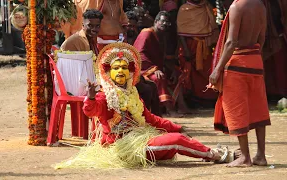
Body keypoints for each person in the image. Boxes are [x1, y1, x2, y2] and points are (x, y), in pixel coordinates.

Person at [53, 42, 233, 169]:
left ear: (131, 72)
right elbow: (91, 111)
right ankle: (214, 155)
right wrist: (90, 98)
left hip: (140, 139)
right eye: (116, 68)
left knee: (175, 136)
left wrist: (177, 127)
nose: (121, 71)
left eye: (124, 67)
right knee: (177, 141)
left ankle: (206, 152)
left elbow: (149, 118)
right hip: (123, 148)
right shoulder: (104, 95)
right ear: (109, 73)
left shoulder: (132, 93)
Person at [209, 0, 271, 167]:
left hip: (237, 62)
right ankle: (261, 155)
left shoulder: (237, 7)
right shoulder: (260, 6)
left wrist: (217, 69)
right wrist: (254, 55)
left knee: (236, 108)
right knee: (258, 107)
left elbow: (231, 42)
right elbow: (262, 37)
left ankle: (245, 157)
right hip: (255, 59)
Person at [134, 11, 188, 116]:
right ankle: (169, 109)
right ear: (156, 21)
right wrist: (154, 69)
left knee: (178, 73)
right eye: (163, 21)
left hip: (155, 67)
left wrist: (171, 69)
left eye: (167, 23)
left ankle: (181, 106)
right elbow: (139, 54)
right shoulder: (147, 33)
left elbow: (161, 57)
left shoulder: (161, 35)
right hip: (143, 69)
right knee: (158, 77)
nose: (165, 24)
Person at [177, 0, 219, 108]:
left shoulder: (206, 6)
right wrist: (186, 50)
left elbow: (211, 26)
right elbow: (181, 32)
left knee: (207, 72)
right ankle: (195, 100)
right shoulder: (184, 9)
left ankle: (209, 99)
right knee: (191, 73)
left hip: (205, 46)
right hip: (190, 46)